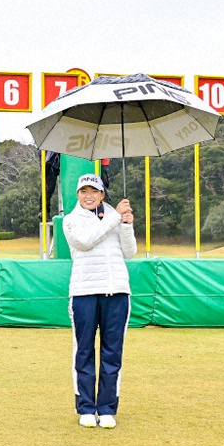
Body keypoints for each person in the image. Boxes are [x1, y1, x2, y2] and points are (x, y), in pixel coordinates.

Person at [62, 173, 137, 429]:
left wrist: (126, 225)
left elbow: (130, 252)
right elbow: (84, 242)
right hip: (84, 292)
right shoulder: (71, 221)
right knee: (84, 351)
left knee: (112, 352)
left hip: (116, 291)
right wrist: (116, 218)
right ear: (78, 195)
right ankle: (85, 407)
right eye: (84, 192)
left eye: (94, 191)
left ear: (102, 194)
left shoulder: (116, 218)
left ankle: (106, 408)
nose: (89, 196)